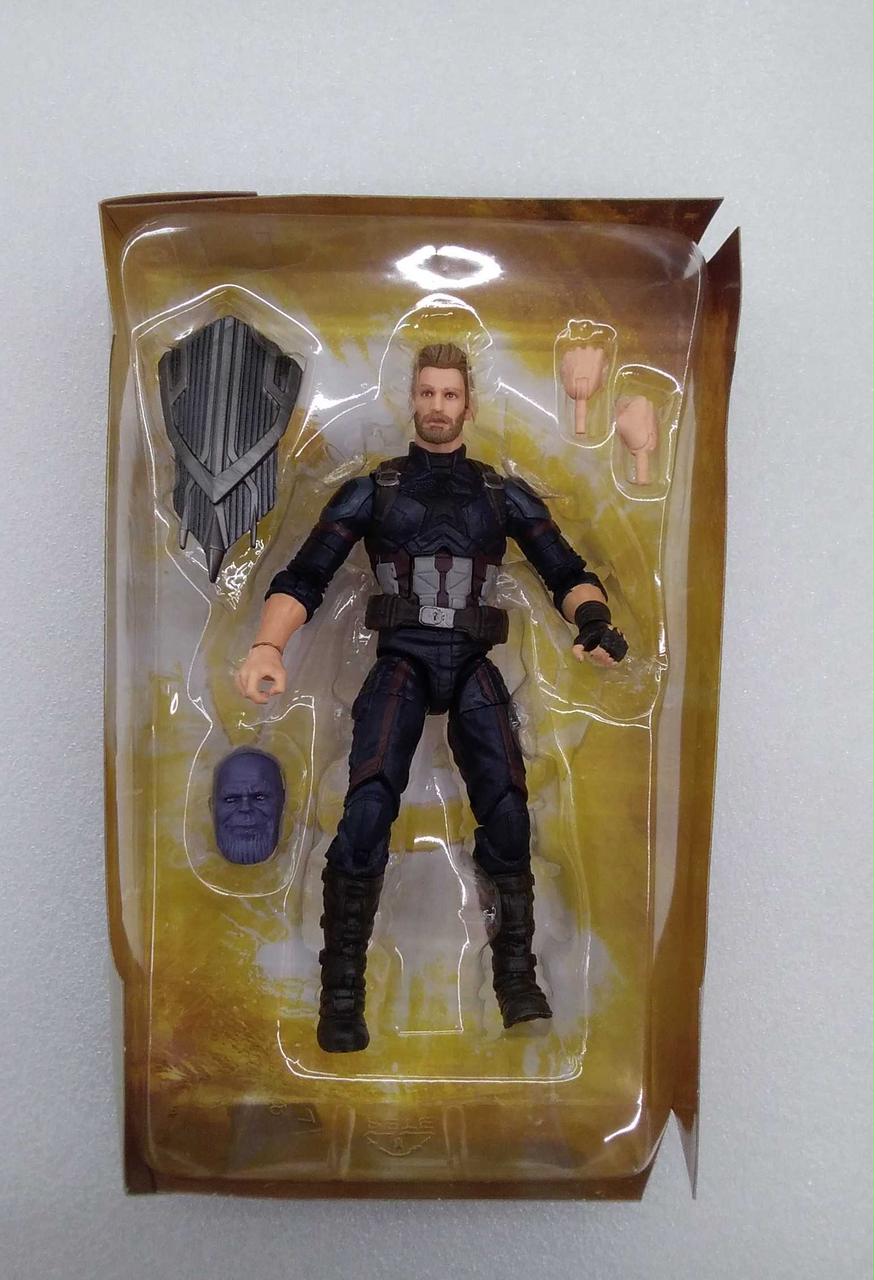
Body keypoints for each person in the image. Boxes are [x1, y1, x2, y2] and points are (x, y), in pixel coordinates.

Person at [235, 343, 627, 1052]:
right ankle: (342, 993)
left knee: (508, 811)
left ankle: (516, 980)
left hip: (473, 663)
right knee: (366, 811)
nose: (437, 406)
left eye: (450, 394)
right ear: (411, 398)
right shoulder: (374, 490)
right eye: (427, 393)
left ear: (468, 404)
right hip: (402, 662)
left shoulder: (501, 494)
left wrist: (593, 620)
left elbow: (564, 569)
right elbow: (305, 575)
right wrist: (268, 645)